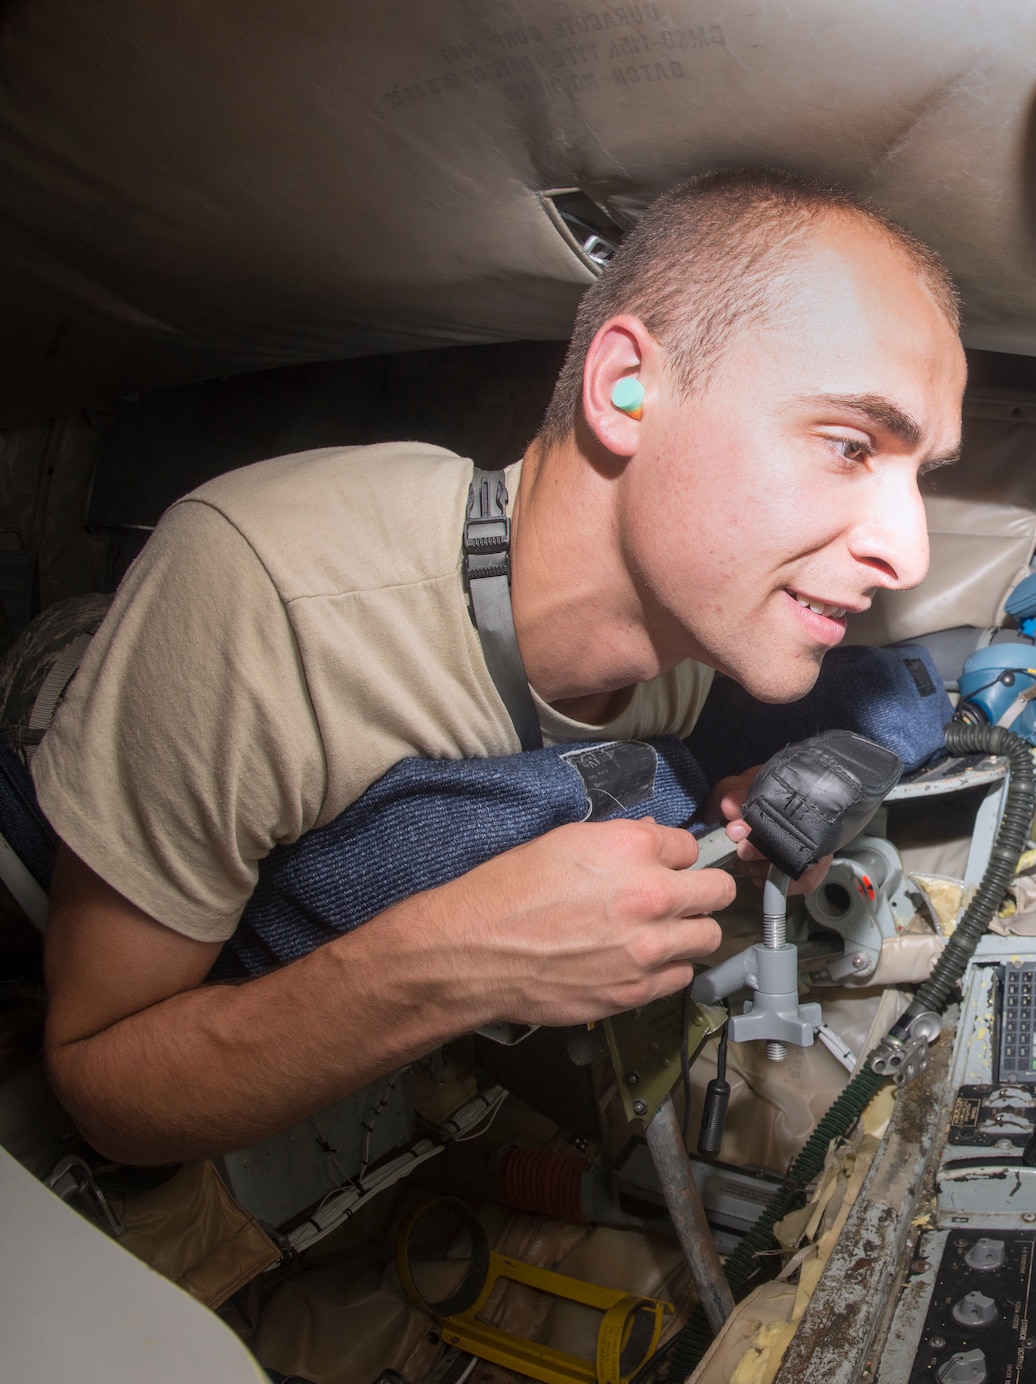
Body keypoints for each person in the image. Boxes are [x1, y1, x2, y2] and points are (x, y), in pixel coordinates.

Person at [35, 170, 966, 1166]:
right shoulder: (262, 594)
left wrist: (719, 842)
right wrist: (459, 961)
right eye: (846, 444)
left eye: (920, 475)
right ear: (626, 391)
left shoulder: (699, 629)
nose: (909, 555)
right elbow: (103, 1087)